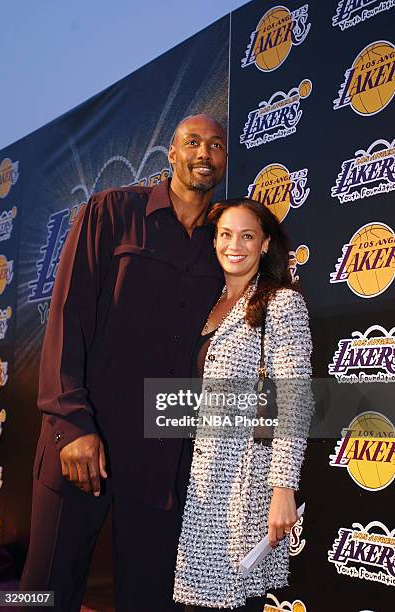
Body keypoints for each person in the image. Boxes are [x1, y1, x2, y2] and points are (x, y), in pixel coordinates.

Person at [20, 114, 227, 611]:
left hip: (161, 458)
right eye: (192, 143)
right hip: (82, 442)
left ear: (223, 160)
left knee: (148, 597)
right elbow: (67, 317)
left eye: (216, 145)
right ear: (171, 154)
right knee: (40, 590)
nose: (204, 153)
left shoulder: (223, 242)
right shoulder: (110, 212)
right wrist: (71, 426)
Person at [173, 198, 313, 611]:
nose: (235, 245)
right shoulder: (207, 304)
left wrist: (283, 489)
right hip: (191, 480)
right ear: (214, 242)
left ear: (266, 244)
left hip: (235, 486)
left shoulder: (280, 303)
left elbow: (293, 397)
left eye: (247, 236)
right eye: (226, 235)